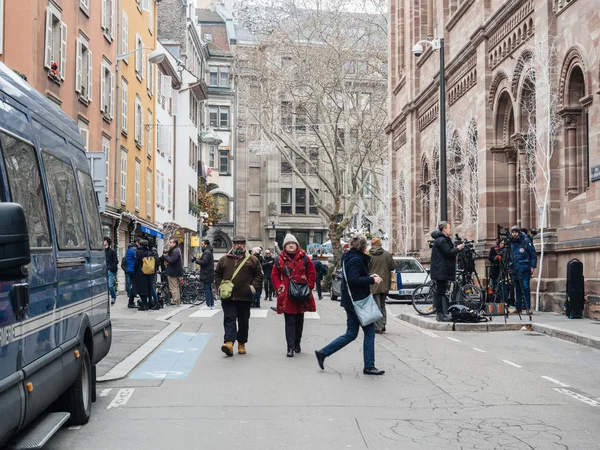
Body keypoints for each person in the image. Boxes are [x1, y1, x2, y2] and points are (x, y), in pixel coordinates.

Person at [315, 235, 385, 376]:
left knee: (351, 333)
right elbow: (354, 280)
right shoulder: (356, 259)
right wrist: (372, 279)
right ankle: (369, 366)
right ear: (364, 246)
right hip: (358, 301)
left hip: (352, 301)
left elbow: (354, 277)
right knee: (369, 333)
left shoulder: (349, 256)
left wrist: (370, 275)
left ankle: (324, 352)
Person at [215, 236, 263, 356]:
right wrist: (219, 286)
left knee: (243, 321)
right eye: (237, 243)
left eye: (242, 243)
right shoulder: (224, 259)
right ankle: (229, 343)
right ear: (233, 244)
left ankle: (241, 343)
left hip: (245, 296)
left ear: (245, 245)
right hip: (228, 296)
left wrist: (252, 287)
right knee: (229, 319)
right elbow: (217, 274)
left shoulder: (252, 260)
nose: (239, 245)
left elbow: (259, 275)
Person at [272, 234, 317, 357]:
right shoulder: (279, 259)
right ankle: (290, 347)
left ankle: (297, 343)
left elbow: (312, 272)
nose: (291, 245)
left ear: (297, 245)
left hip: (302, 294)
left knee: (299, 321)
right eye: (288, 244)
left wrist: (309, 286)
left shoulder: (305, 258)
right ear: (284, 246)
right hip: (287, 294)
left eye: (293, 243)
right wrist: (279, 287)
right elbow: (274, 275)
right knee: (289, 321)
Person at [430, 222, 465, 322]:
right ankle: (440, 314)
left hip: (441, 270)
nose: (450, 229)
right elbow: (448, 253)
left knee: (440, 292)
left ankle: (441, 313)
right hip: (441, 271)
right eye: (449, 228)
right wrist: (458, 248)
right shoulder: (441, 240)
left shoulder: (442, 239)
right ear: (444, 229)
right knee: (440, 292)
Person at [368, 238, 395, 334]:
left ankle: (378, 327)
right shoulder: (387, 254)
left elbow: (366, 268)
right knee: (383, 304)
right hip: (384, 282)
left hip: (374, 282)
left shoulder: (368, 255)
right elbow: (393, 266)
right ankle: (383, 324)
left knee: (376, 304)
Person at [508, 225, 537, 314]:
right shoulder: (511, 242)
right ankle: (518, 308)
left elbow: (533, 254)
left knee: (525, 287)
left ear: (519, 232)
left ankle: (528, 307)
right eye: (513, 232)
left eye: (516, 232)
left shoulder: (525, 240)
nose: (514, 234)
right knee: (517, 289)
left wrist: (532, 266)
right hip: (514, 268)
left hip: (524, 268)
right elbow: (508, 255)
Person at [133, 240, 156, 311]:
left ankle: (143, 304)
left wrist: (135, 270)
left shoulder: (139, 252)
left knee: (141, 289)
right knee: (148, 288)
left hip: (140, 273)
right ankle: (149, 304)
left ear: (140, 245)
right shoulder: (150, 252)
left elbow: (136, 263)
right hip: (149, 272)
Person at [193, 239, 215, 309]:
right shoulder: (209, 251)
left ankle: (208, 304)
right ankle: (211, 304)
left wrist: (196, 260)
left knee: (207, 288)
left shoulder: (206, 252)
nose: (201, 245)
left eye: (202, 244)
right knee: (209, 288)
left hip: (206, 273)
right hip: (209, 273)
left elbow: (204, 262)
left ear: (205, 244)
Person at [164, 238, 184, 306]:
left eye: (170, 242)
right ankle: (177, 299)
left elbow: (172, 260)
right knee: (176, 286)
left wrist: (166, 257)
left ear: (174, 243)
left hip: (173, 271)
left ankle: (175, 300)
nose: (169, 243)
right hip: (176, 271)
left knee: (173, 287)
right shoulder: (177, 250)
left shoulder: (175, 251)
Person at [126, 238, 140, 308]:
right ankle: (131, 302)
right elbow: (136, 259)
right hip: (134, 270)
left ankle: (131, 301)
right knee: (134, 286)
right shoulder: (134, 250)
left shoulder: (128, 250)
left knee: (132, 285)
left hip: (129, 270)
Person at [104, 237, 118, 305]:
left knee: (110, 285)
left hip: (110, 271)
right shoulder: (103, 251)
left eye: (104, 241)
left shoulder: (112, 251)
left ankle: (113, 296)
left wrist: (111, 268)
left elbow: (116, 261)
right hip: (104, 270)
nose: (103, 242)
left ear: (108, 242)